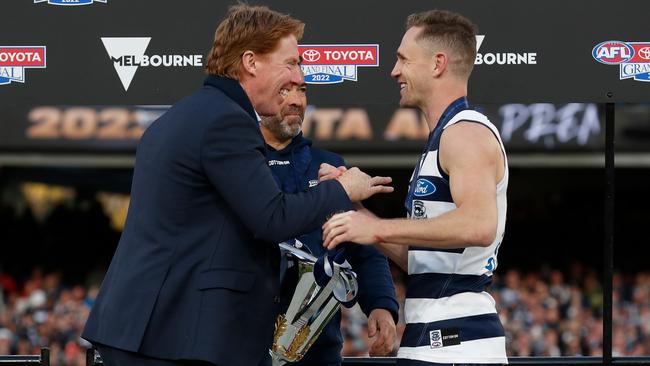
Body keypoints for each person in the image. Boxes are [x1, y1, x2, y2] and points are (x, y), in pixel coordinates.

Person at [81, 5, 392, 366]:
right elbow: (272, 218)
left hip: (149, 330)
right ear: (251, 62)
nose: (298, 74)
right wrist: (343, 190)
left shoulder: (186, 115)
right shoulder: (227, 121)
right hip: (172, 336)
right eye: (290, 63)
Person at [321, 10, 509, 366]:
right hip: (435, 340)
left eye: (403, 59)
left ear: (438, 63)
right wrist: (353, 211)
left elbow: (479, 225)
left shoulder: (465, 133)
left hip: (457, 343)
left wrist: (377, 227)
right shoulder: (445, 137)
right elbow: (426, 259)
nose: (394, 71)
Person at [259, 80, 399, 365]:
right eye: (284, 91)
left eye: (302, 91)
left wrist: (381, 305)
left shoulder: (329, 165)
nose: (296, 100)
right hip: (245, 344)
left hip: (318, 350)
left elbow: (362, 244)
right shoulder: (239, 166)